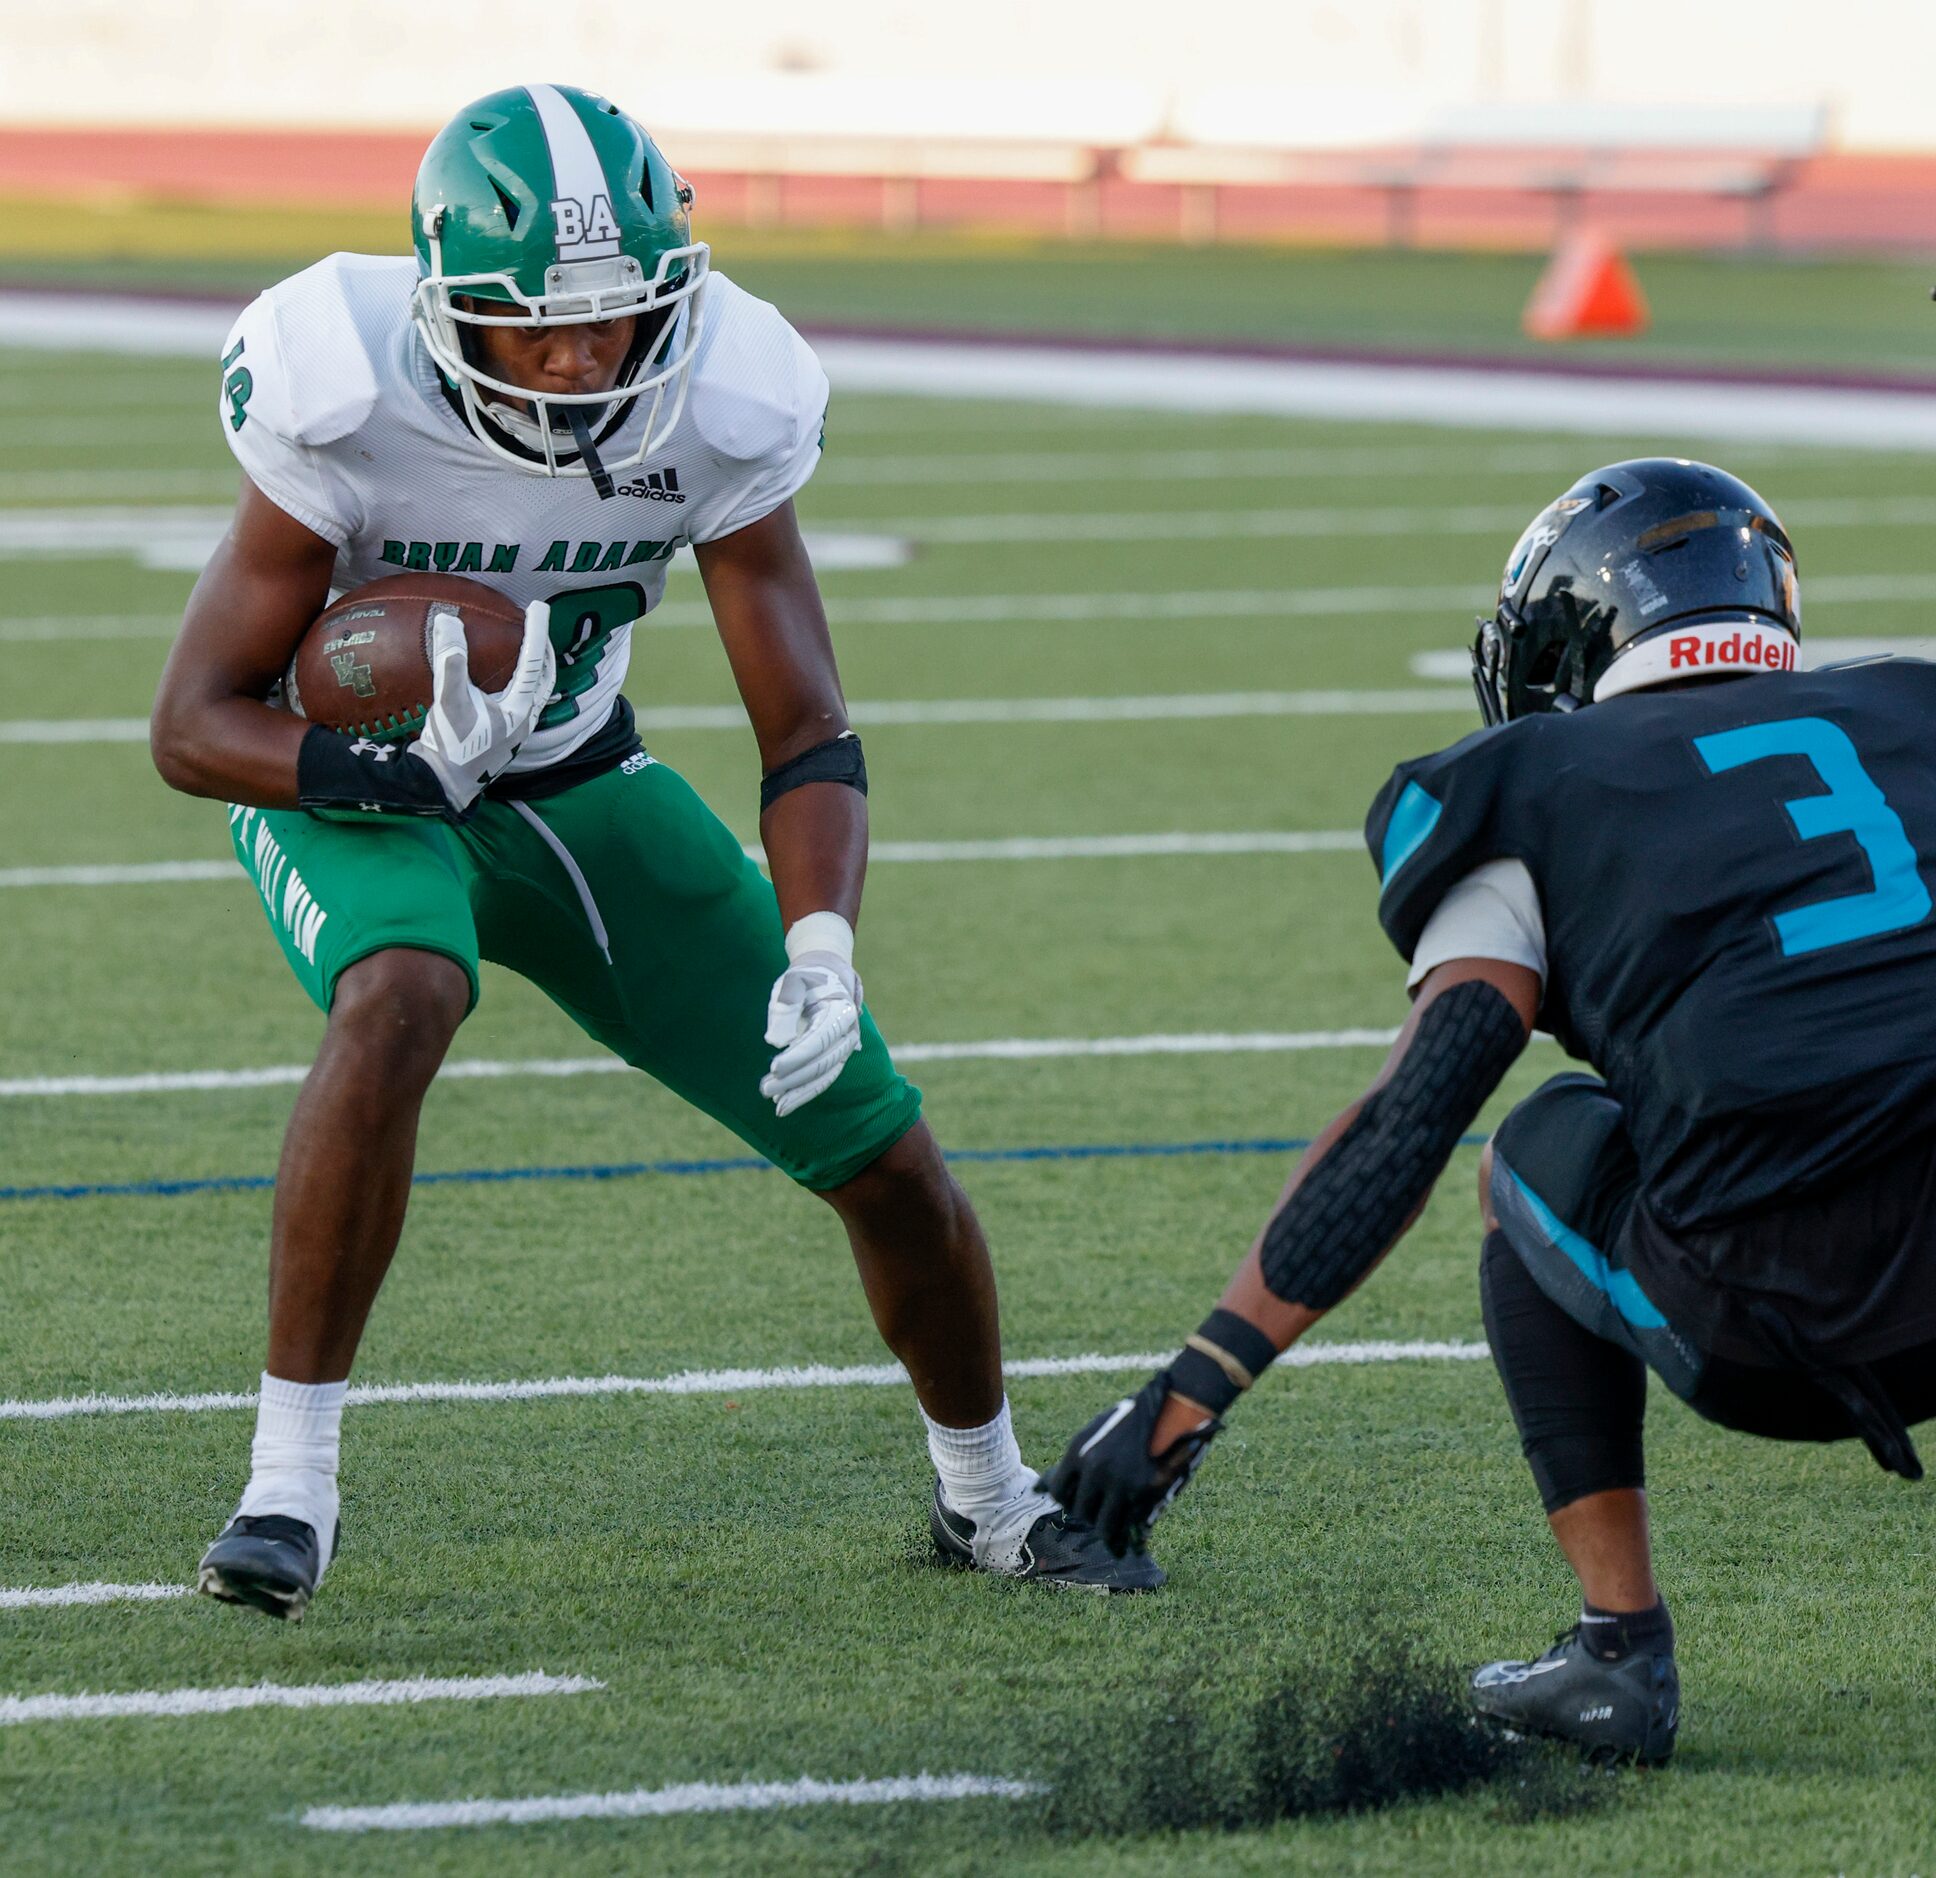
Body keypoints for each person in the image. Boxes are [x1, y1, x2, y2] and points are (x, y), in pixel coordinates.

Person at [150, 84, 1152, 1619]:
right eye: (534, 325)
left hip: (580, 771)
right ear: (443, 307)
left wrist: (824, 946)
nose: (577, 357)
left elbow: (805, 721)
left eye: (615, 319)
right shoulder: (337, 382)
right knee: (404, 990)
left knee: (878, 1139)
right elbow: (190, 722)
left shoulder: (722, 392)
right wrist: (384, 762)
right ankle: (289, 1481)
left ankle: (991, 1497)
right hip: (340, 777)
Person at [1045, 458, 1936, 1763]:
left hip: (1782, 1313)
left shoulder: (1529, 777)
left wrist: (1192, 1388)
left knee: (1533, 1156)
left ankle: (1618, 1652)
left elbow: (1420, 1111)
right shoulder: (1916, 702)